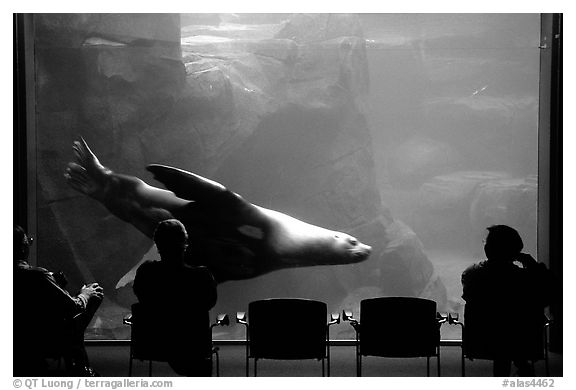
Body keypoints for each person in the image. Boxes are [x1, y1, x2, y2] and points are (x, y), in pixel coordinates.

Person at [461, 225, 552, 376]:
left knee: (502, 332)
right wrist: (533, 265)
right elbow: (548, 293)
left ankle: (519, 363)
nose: (485, 245)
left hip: (483, 338)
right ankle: (521, 362)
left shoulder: (471, 274)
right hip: (520, 340)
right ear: (516, 250)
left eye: (487, 242)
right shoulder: (525, 279)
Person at [13, 225, 104, 376]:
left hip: (21, 338)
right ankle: (79, 366)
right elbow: (74, 306)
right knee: (95, 293)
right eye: (28, 241)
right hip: (47, 338)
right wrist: (85, 294)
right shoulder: (38, 276)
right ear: (23, 248)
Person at [133, 219, 217, 376]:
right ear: (185, 242)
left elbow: (141, 297)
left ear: (157, 244)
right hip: (192, 347)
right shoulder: (201, 276)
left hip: (154, 344)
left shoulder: (146, 273)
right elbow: (210, 302)